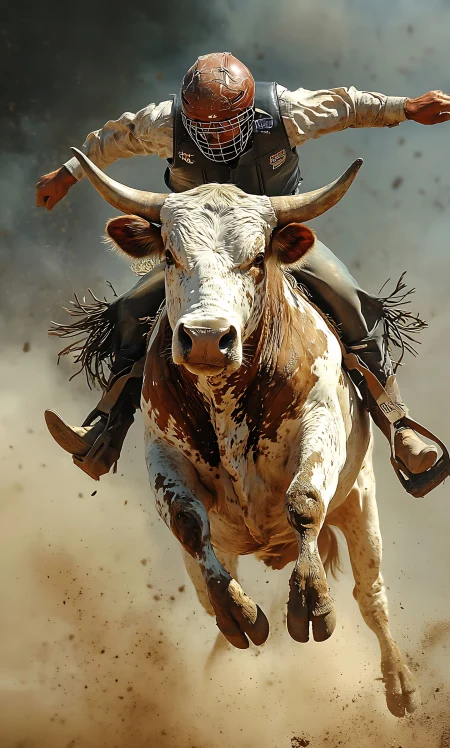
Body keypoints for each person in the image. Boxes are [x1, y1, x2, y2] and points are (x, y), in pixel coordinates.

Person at [37, 52, 450, 490]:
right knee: (130, 310)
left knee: (348, 299)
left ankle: (397, 425)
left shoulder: (286, 111)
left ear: (250, 111)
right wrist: (66, 175)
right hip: (196, 249)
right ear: (187, 117)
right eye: (204, 127)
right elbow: (115, 137)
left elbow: (346, 105)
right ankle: (105, 427)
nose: (215, 135)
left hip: (269, 242)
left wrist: (405, 107)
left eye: (228, 124)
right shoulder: (164, 122)